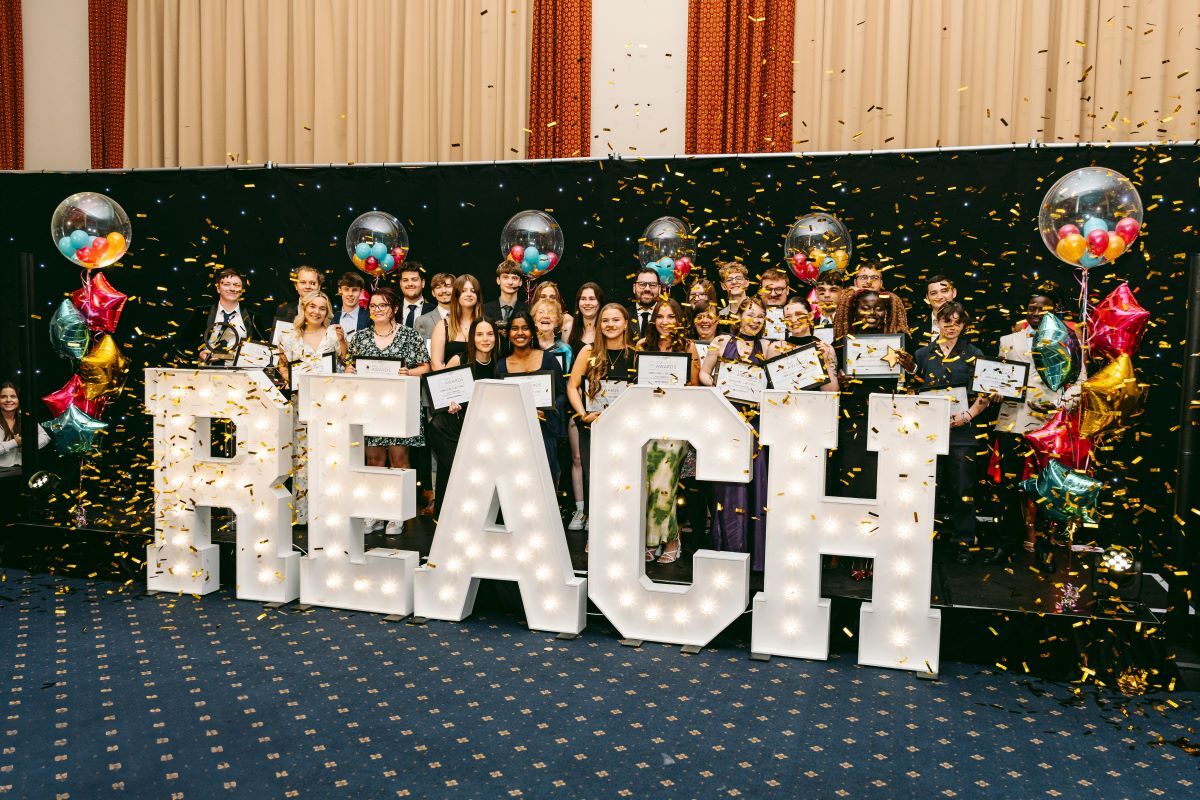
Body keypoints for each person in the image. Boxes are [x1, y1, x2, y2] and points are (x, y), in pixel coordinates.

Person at [988, 291, 1081, 564]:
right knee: (1009, 486)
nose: (1036, 313)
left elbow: (1079, 381)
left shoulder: (1067, 339)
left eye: (1043, 308)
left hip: (1048, 427)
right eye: (1032, 308)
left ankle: (1043, 548)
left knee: (1045, 487)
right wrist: (995, 390)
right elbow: (999, 378)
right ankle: (1006, 544)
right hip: (1012, 422)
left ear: (1054, 310)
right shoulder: (1008, 341)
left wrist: (1060, 405)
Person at [906, 302, 994, 565]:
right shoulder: (922, 354)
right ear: (937, 322)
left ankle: (963, 541)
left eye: (957, 321)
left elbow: (984, 394)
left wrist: (966, 416)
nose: (951, 326)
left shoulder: (974, 353)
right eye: (946, 321)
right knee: (924, 486)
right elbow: (911, 389)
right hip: (928, 432)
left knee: (963, 488)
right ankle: (920, 539)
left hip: (962, 431)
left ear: (964, 325)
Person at [698, 297, 782, 571]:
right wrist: (719, 389)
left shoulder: (768, 347)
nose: (755, 320)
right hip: (727, 421)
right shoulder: (721, 341)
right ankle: (728, 549)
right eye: (750, 314)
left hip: (756, 424)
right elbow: (703, 373)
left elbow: (777, 382)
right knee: (728, 487)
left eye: (760, 316)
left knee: (756, 484)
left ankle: (757, 556)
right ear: (738, 317)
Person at [345, 286, 431, 535]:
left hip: (399, 407)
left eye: (383, 305)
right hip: (369, 408)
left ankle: (396, 514)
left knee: (399, 460)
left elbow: (425, 367)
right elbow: (351, 365)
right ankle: (374, 512)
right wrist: (350, 370)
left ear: (394, 308)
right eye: (373, 306)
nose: (377, 310)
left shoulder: (409, 335)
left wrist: (408, 372)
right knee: (373, 461)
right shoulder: (360, 337)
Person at [828, 287, 910, 500]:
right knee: (852, 468)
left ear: (887, 312)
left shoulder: (899, 342)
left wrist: (911, 367)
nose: (872, 313)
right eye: (865, 308)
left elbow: (915, 381)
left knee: (883, 470)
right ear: (855, 311)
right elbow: (830, 384)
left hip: (888, 416)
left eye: (879, 308)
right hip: (852, 417)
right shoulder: (841, 343)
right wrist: (840, 381)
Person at [636, 298, 700, 563]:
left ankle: (671, 539)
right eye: (660, 316)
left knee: (665, 482)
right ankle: (652, 539)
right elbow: (637, 384)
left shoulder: (688, 346)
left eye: (671, 316)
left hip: (676, 425)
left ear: (679, 320)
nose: (665, 322)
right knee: (648, 482)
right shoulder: (642, 346)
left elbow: (695, 387)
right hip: (647, 424)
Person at [277, 292, 349, 526]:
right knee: (302, 457)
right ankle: (303, 513)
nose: (316, 312)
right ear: (304, 308)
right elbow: (282, 366)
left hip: (329, 404)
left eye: (322, 308)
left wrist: (343, 342)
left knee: (329, 455)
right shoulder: (288, 337)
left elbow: (346, 362)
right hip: (301, 404)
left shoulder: (334, 333)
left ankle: (329, 511)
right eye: (312, 307)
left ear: (327, 312)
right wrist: (290, 380)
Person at [567, 304, 636, 544]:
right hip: (594, 426)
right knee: (596, 480)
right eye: (605, 320)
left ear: (626, 323)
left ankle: (623, 536)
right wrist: (582, 414)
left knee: (624, 481)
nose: (610, 325)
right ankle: (597, 537)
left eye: (616, 320)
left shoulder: (636, 353)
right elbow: (572, 386)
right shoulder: (588, 351)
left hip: (626, 430)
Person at [426, 318, 499, 518]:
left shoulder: (500, 364)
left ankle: (474, 518)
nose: (485, 339)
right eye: (479, 334)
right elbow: (443, 397)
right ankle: (449, 520)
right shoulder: (459, 360)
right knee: (459, 473)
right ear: (472, 338)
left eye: (490, 334)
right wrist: (450, 405)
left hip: (479, 428)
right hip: (449, 429)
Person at [496, 311, 567, 483]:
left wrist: (548, 410)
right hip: (513, 435)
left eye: (525, 328)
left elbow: (562, 394)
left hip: (543, 430)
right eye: (515, 328)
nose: (520, 333)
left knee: (544, 481)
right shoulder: (501, 366)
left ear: (532, 332)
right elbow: (499, 403)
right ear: (508, 333)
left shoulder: (548, 359)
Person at [565, 282, 603, 531]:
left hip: (601, 404)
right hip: (576, 401)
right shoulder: (569, 328)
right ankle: (581, 510)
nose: (587, 303)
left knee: (598, 460)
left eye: (592, 298)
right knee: (578, 457)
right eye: (583, 298)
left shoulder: (607, 328)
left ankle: (597, 510)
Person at [0, 382, 50, 529]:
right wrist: (14, 443)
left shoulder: (25, 417)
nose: (8, 400)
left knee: (21, 517)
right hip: (2, 478)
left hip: (22, 475)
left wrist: (28, 446)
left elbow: (45, 436)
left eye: (13, 396)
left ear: (18, 399)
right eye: (3, 396)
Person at [199, 268, 267, 362]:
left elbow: (263, 349)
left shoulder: (252, 317)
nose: (232, 288)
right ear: (218, 288)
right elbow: (185, 344)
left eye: (237, 285)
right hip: (206, 368)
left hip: (240, 369)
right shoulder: (203, 313)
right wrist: (200, 354)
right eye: (227, 284)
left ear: (242, 290)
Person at [779, 296, 839, 391]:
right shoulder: (776, 348)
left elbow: (831, 392)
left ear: (810, 316)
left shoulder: (825, 349)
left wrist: (825, 362)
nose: (793, 320)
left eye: (799, 314)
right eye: (788, 316)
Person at [430, 274, 483, 370]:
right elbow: (435, 364)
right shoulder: (443, 325)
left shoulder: (486, 323)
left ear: (478, 295)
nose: (469, 294)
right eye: (463, 291)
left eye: (473, 291)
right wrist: (449, 378)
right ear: (456, 295)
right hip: (452, 379)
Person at [482, 258, 529, 339]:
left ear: (520, 282)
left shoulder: (529, 310)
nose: (510, 282)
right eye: (505, 277)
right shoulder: (484, 309)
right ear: (498, 280)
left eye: (514, 278)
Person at [532, 298, 574, 374]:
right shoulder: (526, 347)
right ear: (534, 320)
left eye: (551, 312)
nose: (546, 316)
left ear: (557, 322)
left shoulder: (565, 349)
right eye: (541, 312)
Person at [416, 272, 455, 341]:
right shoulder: (422, 321)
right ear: (433, 293)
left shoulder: (466, 317)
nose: (443, 291)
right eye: (438, 287)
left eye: (448, 286)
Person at [397, 264, 435, 330]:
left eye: (414, 280)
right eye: (405, 280)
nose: (410, 284)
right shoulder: (392, 311)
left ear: (423, 283)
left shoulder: (435, 311)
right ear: (400, 284)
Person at [629, 267, 663, 340]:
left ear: (659, 289)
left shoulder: (668, 317)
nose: (647, 289)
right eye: (642, 284)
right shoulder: (624, 315)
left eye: (653, 285)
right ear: (634, 288)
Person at [759, 267, 790, 341]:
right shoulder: (748, 314)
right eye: (768, 289)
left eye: (779, 289)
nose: (773, 294)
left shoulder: (797, 316)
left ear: (787, 290)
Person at [922, 274, 957, 339]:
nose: (939, 297)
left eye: (944, 291)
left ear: (954, 292)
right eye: (933, 293)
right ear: (927, 298)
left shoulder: (973, 326)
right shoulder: (912, 330)